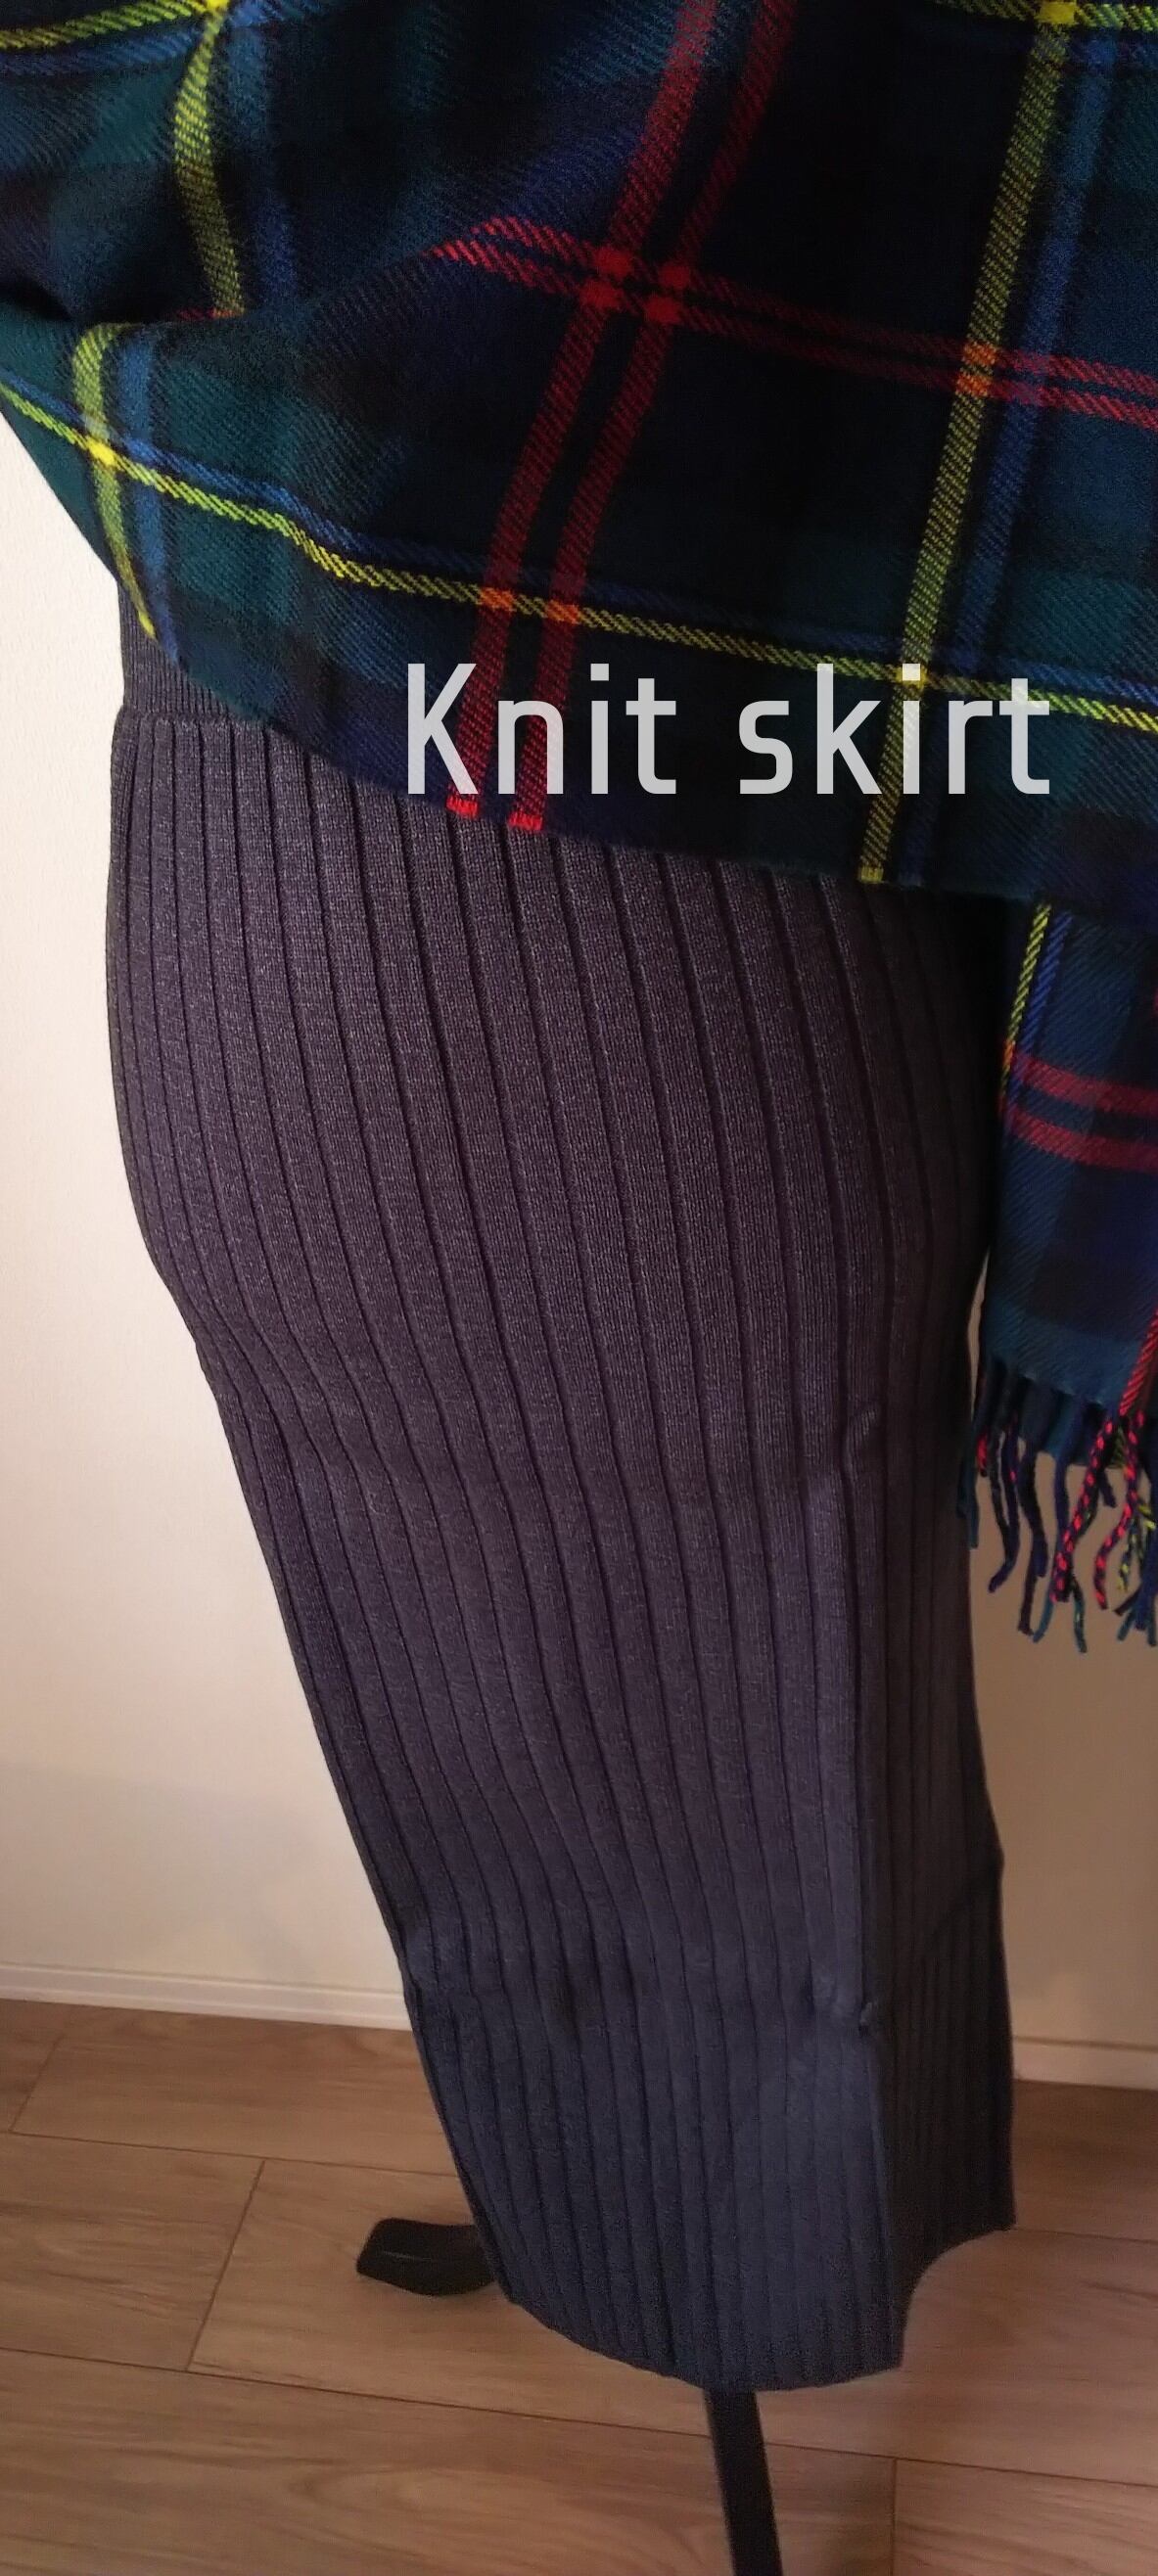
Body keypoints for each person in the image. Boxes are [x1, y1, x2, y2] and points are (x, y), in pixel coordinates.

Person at [1, 0, 1154, 2394]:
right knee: (451, 1713)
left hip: (760, 896)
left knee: (816, 1728)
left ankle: (759, 2269)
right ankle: (615, 2216)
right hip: (330, 873)